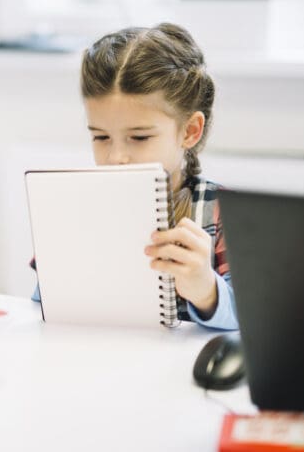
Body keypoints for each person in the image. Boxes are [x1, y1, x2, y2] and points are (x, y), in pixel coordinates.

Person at [33, 22, 237, 330]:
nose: (116, 157)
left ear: (190, 131)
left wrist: (207, 290)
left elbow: (252, 318)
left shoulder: (221, 210)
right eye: (101, 138)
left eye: (139, 138)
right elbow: (42, 306)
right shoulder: (80, 204)